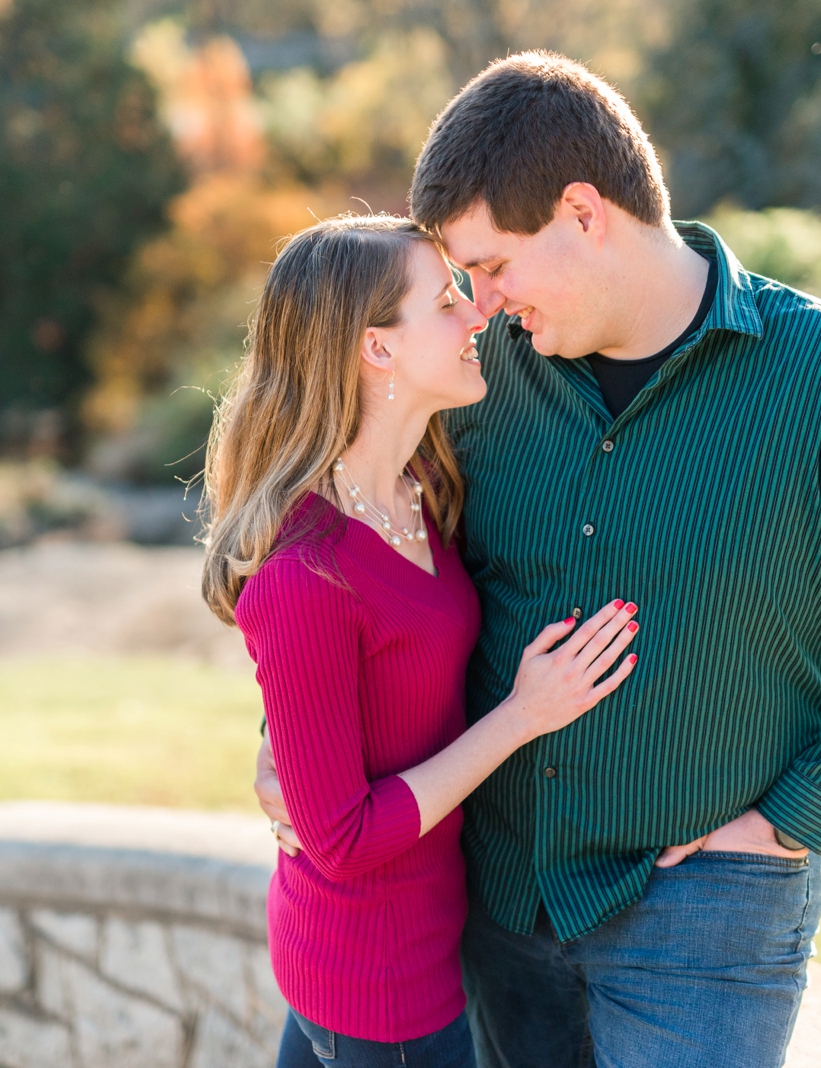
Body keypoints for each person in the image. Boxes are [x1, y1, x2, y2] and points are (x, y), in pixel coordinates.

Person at [256, 52, 821, 1068]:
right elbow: (363, 552)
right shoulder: (486, 380)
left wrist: (793, 818)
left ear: (582, 212)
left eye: (489, 267)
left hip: (705, 914)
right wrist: (289, 739)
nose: (478, 304)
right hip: (493, 895)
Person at [201, 214, 642, 1068]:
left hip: (427, 945)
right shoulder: (305, 574)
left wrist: (281, 742)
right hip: (378, 987)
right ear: (378, 348)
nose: (476, 312)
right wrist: (524, 716)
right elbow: (344, 839)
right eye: (445, 301)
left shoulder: (418, 488)